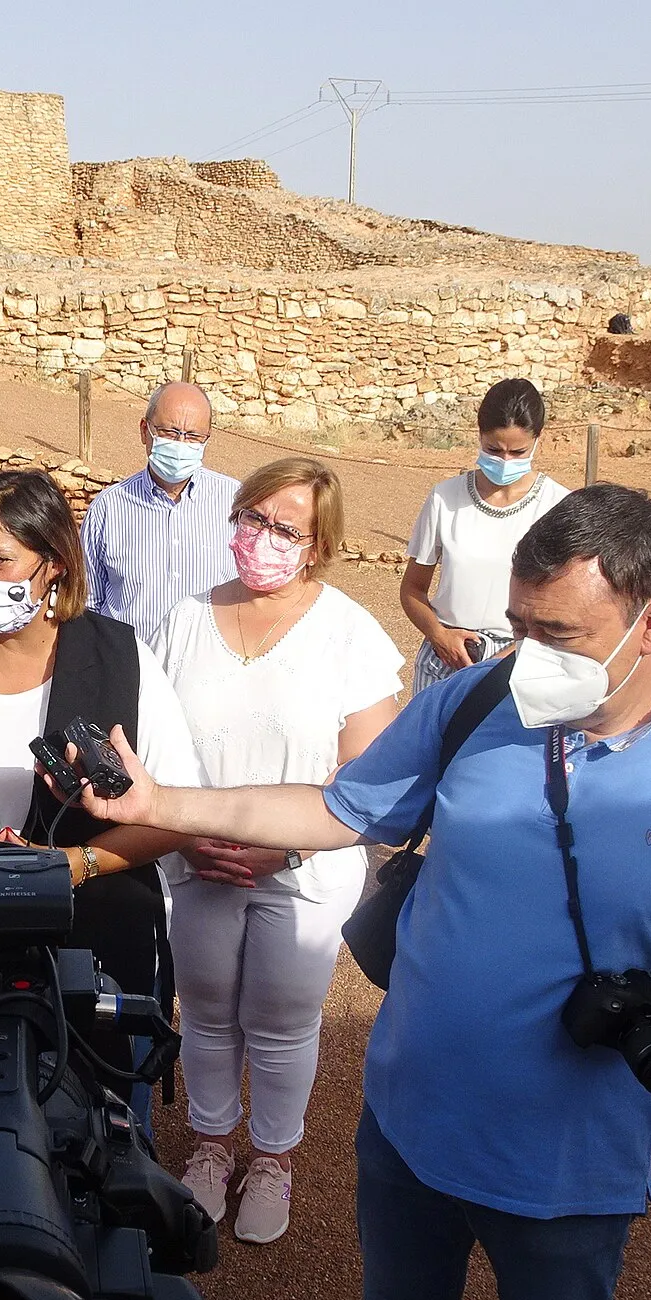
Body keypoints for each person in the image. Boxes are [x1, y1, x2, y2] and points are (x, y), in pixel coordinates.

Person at [64, 485, 651, 1300]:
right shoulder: (474, 703)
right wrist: (160, 807)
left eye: (559, 635)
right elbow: (335, 806)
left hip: (567, 1165)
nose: (527, 655)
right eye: (518, 626)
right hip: (409, 1126)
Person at [0, 469, 202, 1129]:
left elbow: (175, 812)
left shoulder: (121, 658)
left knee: (100, 1132)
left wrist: (73, 867)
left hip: (100, 941)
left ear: (52, 565)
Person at [152, 458, 403, 1243]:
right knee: (206, 1011)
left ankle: (273, 1159)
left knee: (283, 1019)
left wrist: (278, 849)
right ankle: (212, 1147)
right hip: (195, 860)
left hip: (304, 867)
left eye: (283, 528)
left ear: (317, 544)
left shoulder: (350, 634)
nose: (260, 538)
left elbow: (370, 769)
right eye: (252, 518)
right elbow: (151, 738)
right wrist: (189, 833)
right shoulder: (184, 619)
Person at [399, 377, 570, 688]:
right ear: (478, 435)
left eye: (518, 452)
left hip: (523, 661)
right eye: (494, 449)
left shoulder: (557, 506)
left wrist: (509, 654)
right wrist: (439, 635)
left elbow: (567, 602)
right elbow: (412, 589)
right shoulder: (444, 498)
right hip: (446, 658)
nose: (505, 461)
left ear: (537, 440)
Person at [80, 380, 241, 645]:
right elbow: (89, 604)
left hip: (207, 672)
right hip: (131, 671)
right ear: (145, 431)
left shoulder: (235, 503)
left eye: (193, 436)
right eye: (169, 432)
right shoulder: (109, 508)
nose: (181, 444)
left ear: (206, 439)